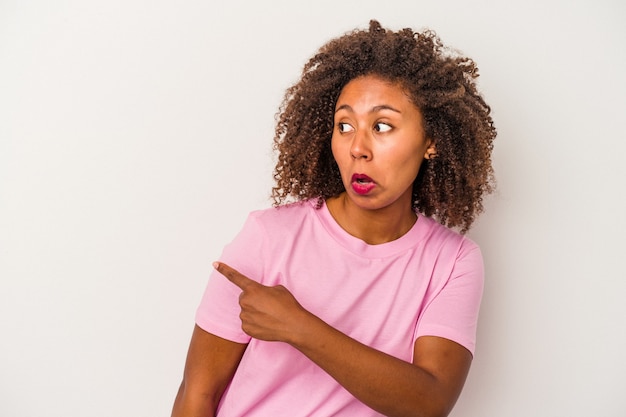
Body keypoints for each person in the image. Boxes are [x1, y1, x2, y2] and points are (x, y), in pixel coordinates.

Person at [172, 20, 496, 417]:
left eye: (382, 126)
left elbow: (429, 402)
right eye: (344, 126)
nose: (358, 147)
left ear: (431, 141)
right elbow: (197, 394)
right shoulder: (268, 237)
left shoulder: (453, 261)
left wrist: (298, 327)